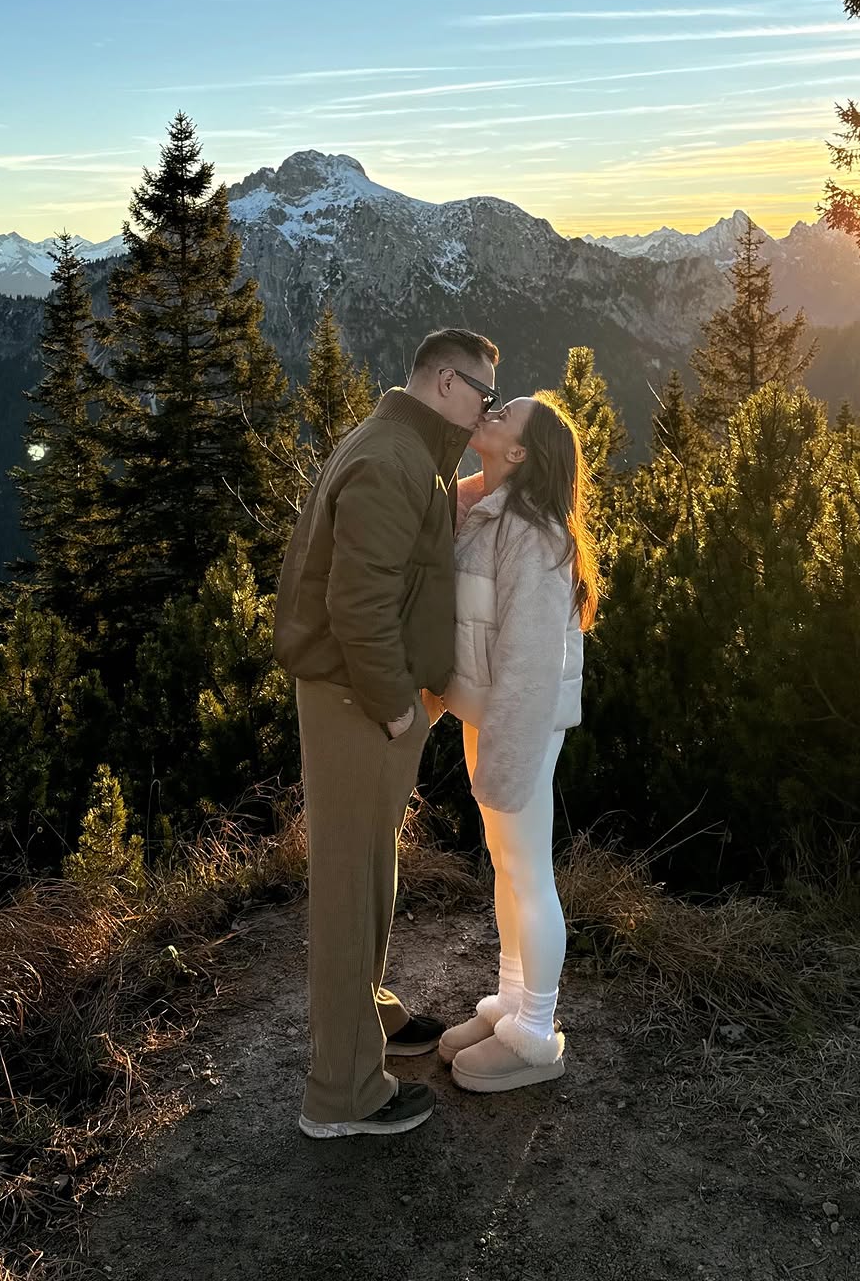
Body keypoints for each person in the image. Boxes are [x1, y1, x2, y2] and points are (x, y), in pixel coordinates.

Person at [273, 326, 500, 1139]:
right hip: (357, 702)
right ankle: (342, 1094)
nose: (487, 412)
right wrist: (399, 707)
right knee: (348, 883)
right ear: (445, 383)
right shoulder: (391, 460)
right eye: (483, 395)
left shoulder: (403, 450)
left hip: (359, 697)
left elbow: (403, 550)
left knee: (370, 866)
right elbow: (358, 602)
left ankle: (366, 1012)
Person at [437, 392, 599, 1092]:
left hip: (520, 722)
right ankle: (509, 1001)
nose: (491, 412)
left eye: (505, 416)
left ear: (521, 451)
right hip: (490, 715)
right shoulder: (488, 511)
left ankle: (536, 1033)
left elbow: (531, 666)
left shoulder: (533, 534)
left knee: (529, 871)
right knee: (507, 864)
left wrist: (505, 757)